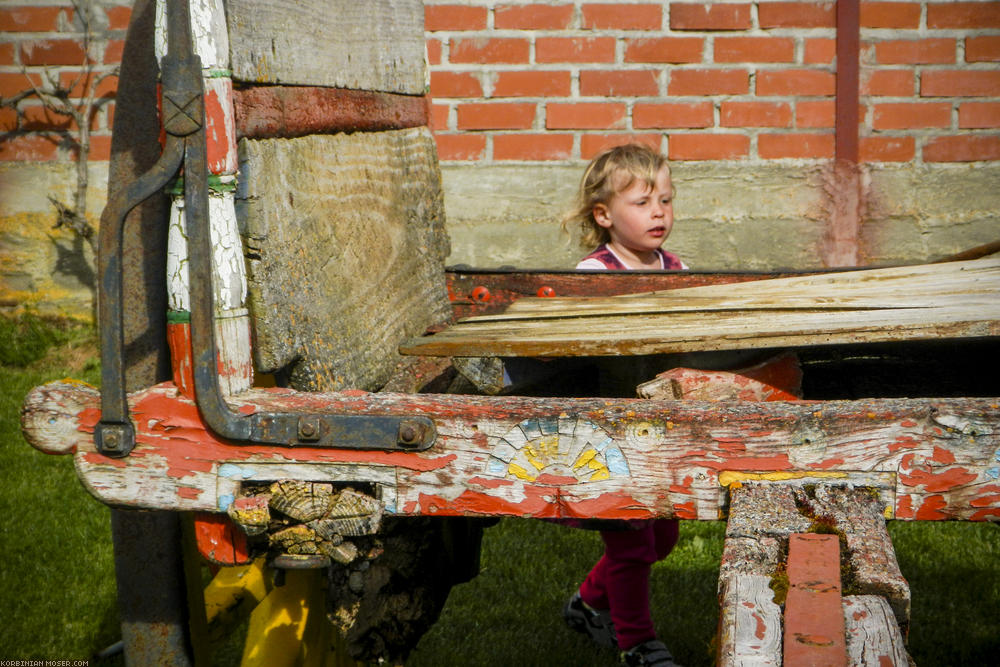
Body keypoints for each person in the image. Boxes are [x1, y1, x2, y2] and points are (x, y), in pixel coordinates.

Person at [560, 143, 682, 667]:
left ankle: (587, 601)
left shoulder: (677, 268)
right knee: (631, 539)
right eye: (642, 202)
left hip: (658, 426)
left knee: (664, 534)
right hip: (606, 428)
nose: (658, 212)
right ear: (604, 215)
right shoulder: (592, 275)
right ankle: (637, 642)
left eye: (667, 200)